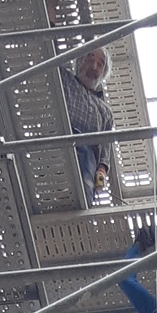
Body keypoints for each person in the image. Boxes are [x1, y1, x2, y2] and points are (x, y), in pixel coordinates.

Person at [60, 45, 113, 205]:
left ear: (103, 74)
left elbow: (104, 151)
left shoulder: (105, 112)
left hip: (87, 155)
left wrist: (101, 174)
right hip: (62, 137)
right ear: (80, 62)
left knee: (85, 188)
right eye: (90, 59)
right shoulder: (65, 80)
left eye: (100, 64)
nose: (94, 67)